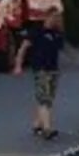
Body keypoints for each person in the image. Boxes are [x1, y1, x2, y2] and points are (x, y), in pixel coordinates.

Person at [14, 9, 68, 140]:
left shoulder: (57, 34)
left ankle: (37, 124)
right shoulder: (37, 32)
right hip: (41, 69)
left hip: (53, 70)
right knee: (44, 98)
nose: (56, 20)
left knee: (48, 98)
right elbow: (23, 48)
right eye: (54, 17)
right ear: (47, 17)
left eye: (58, 18)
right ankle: (47, 129)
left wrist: (73, 57)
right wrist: (18, 65)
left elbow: (63, 47)